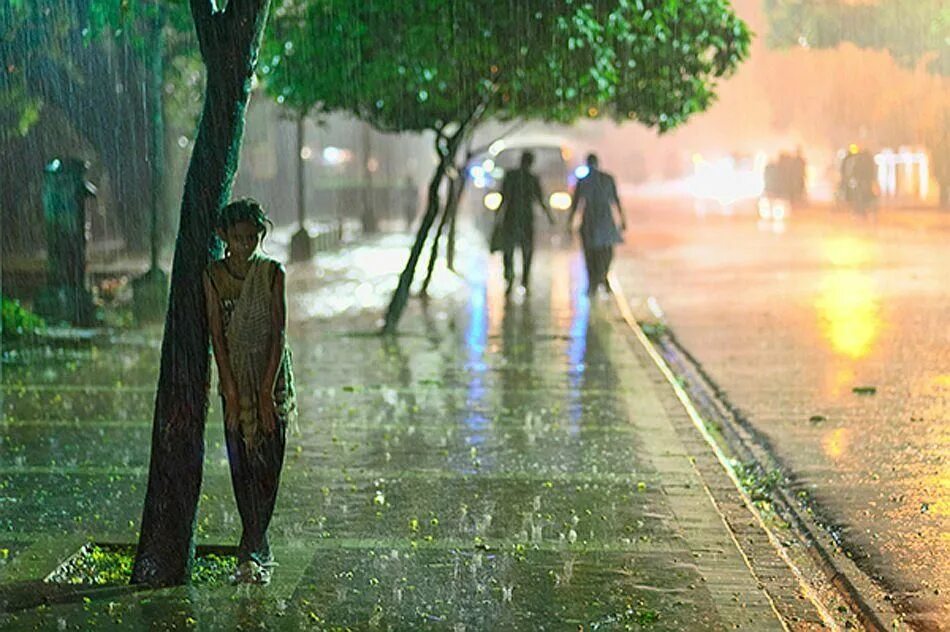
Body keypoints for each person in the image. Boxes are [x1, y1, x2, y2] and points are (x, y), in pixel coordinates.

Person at [202, 198, 296, 585]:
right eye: (237, 238)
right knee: (242, 461)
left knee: (269, 461)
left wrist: (264, 391)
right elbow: (217, 336)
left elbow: (277, 332)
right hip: (235, 377)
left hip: (271, 374)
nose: (245, 245)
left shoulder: (272, 273)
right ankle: (254, 545)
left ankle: (254, 545)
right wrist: (231, 387)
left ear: (261, 234)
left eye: (252, 237)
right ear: (224, 236)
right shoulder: (213, 275)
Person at [495, 151, 554, 294]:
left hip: (510, 217)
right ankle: (525, 281)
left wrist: (497, 214)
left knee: (508, 249)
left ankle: (509, 278)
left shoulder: (511, 176)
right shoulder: (532, 179)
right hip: (526, 218)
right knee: (527, 250)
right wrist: (549, 216)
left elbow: (503, 197)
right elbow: (540, 199)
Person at [567, 153, 626, 296]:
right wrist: (623, 220)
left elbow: (576, 205)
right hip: (605, 220)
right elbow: (616, 201)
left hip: (590, 221)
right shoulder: (607, 179)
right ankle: (601, 277)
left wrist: (569, 223)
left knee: (590, 254)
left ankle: (594, 281)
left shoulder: (583, 181)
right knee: (606, 252)